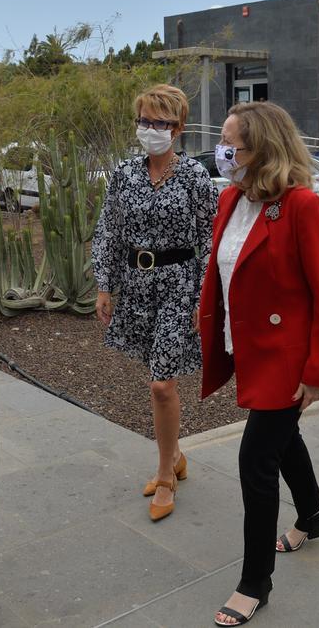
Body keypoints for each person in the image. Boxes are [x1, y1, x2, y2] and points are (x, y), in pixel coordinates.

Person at [199, 102, 319, 626]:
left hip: (286, 356)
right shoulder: (233, 198)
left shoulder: (303, 205)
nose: (223, 150)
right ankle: (313, 516)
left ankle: (254, 581)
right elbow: (224, 271)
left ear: (262, 148)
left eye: (232, 142)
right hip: (247, 344)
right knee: (284, 440)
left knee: (256, 460)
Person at [92, 84, 218, 522]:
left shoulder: (195, 177)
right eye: (143, 121)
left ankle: (165, 473)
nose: (149, 129)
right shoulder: (125, 173)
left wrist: (205, 298)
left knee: (161, 383)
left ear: (178, 129)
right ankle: (177, 455)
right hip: (136, 285)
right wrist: (104, 284)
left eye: (159, 123)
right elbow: (108, 228)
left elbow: (209, 239)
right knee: (156, 376)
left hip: (179, 285)